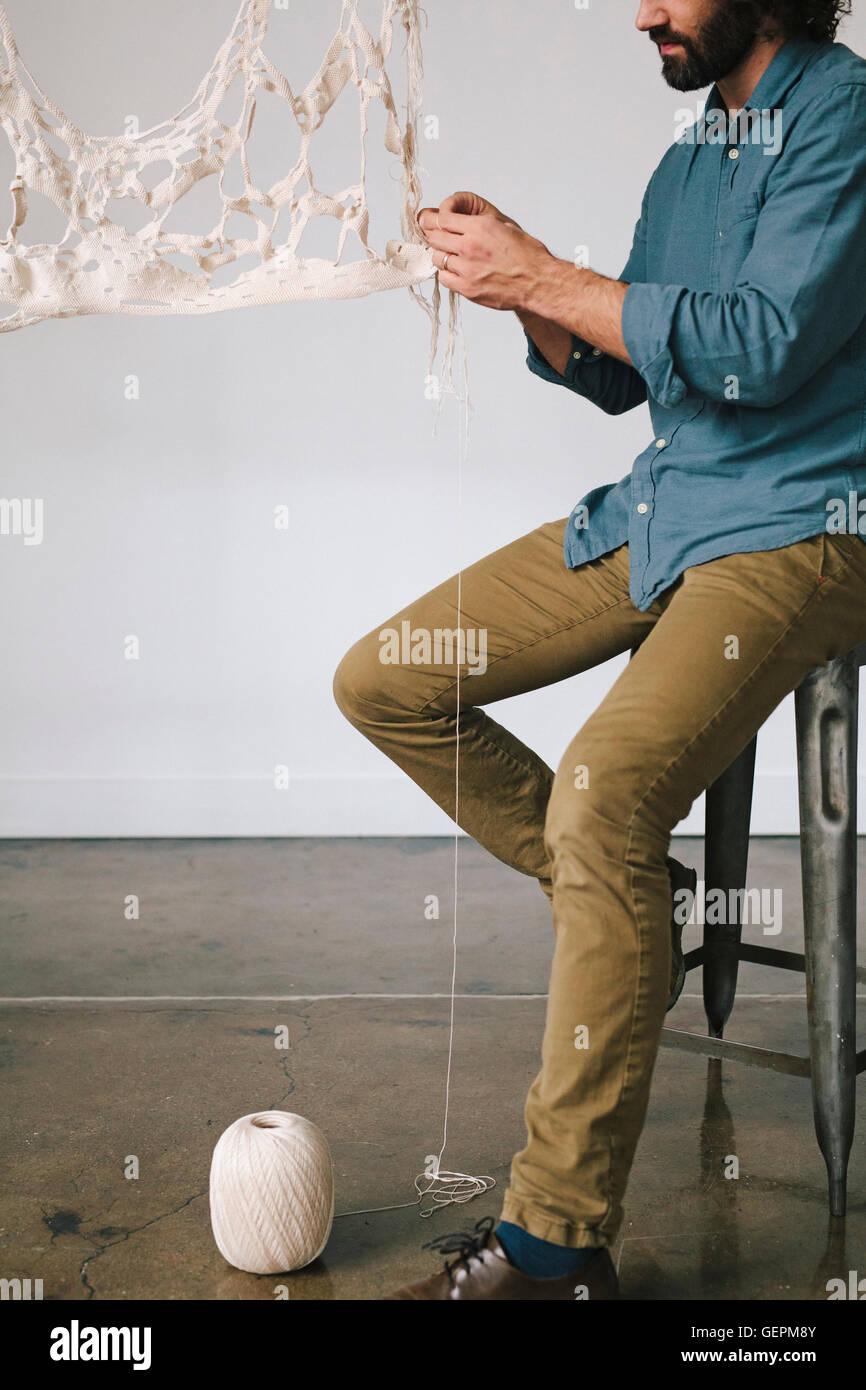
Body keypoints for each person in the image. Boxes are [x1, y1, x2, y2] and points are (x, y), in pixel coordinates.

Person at [333, 0, 866, 1300]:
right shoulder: (689, 154)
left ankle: (552, 1247)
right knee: (388, 677)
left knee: (602, 795)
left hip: (802, 527)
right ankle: (641, 902)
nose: (643, 12)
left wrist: (542, 275)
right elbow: (627, 378)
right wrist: (513, 287)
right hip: (662, 511)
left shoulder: (844, 117)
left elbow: (759, 346)